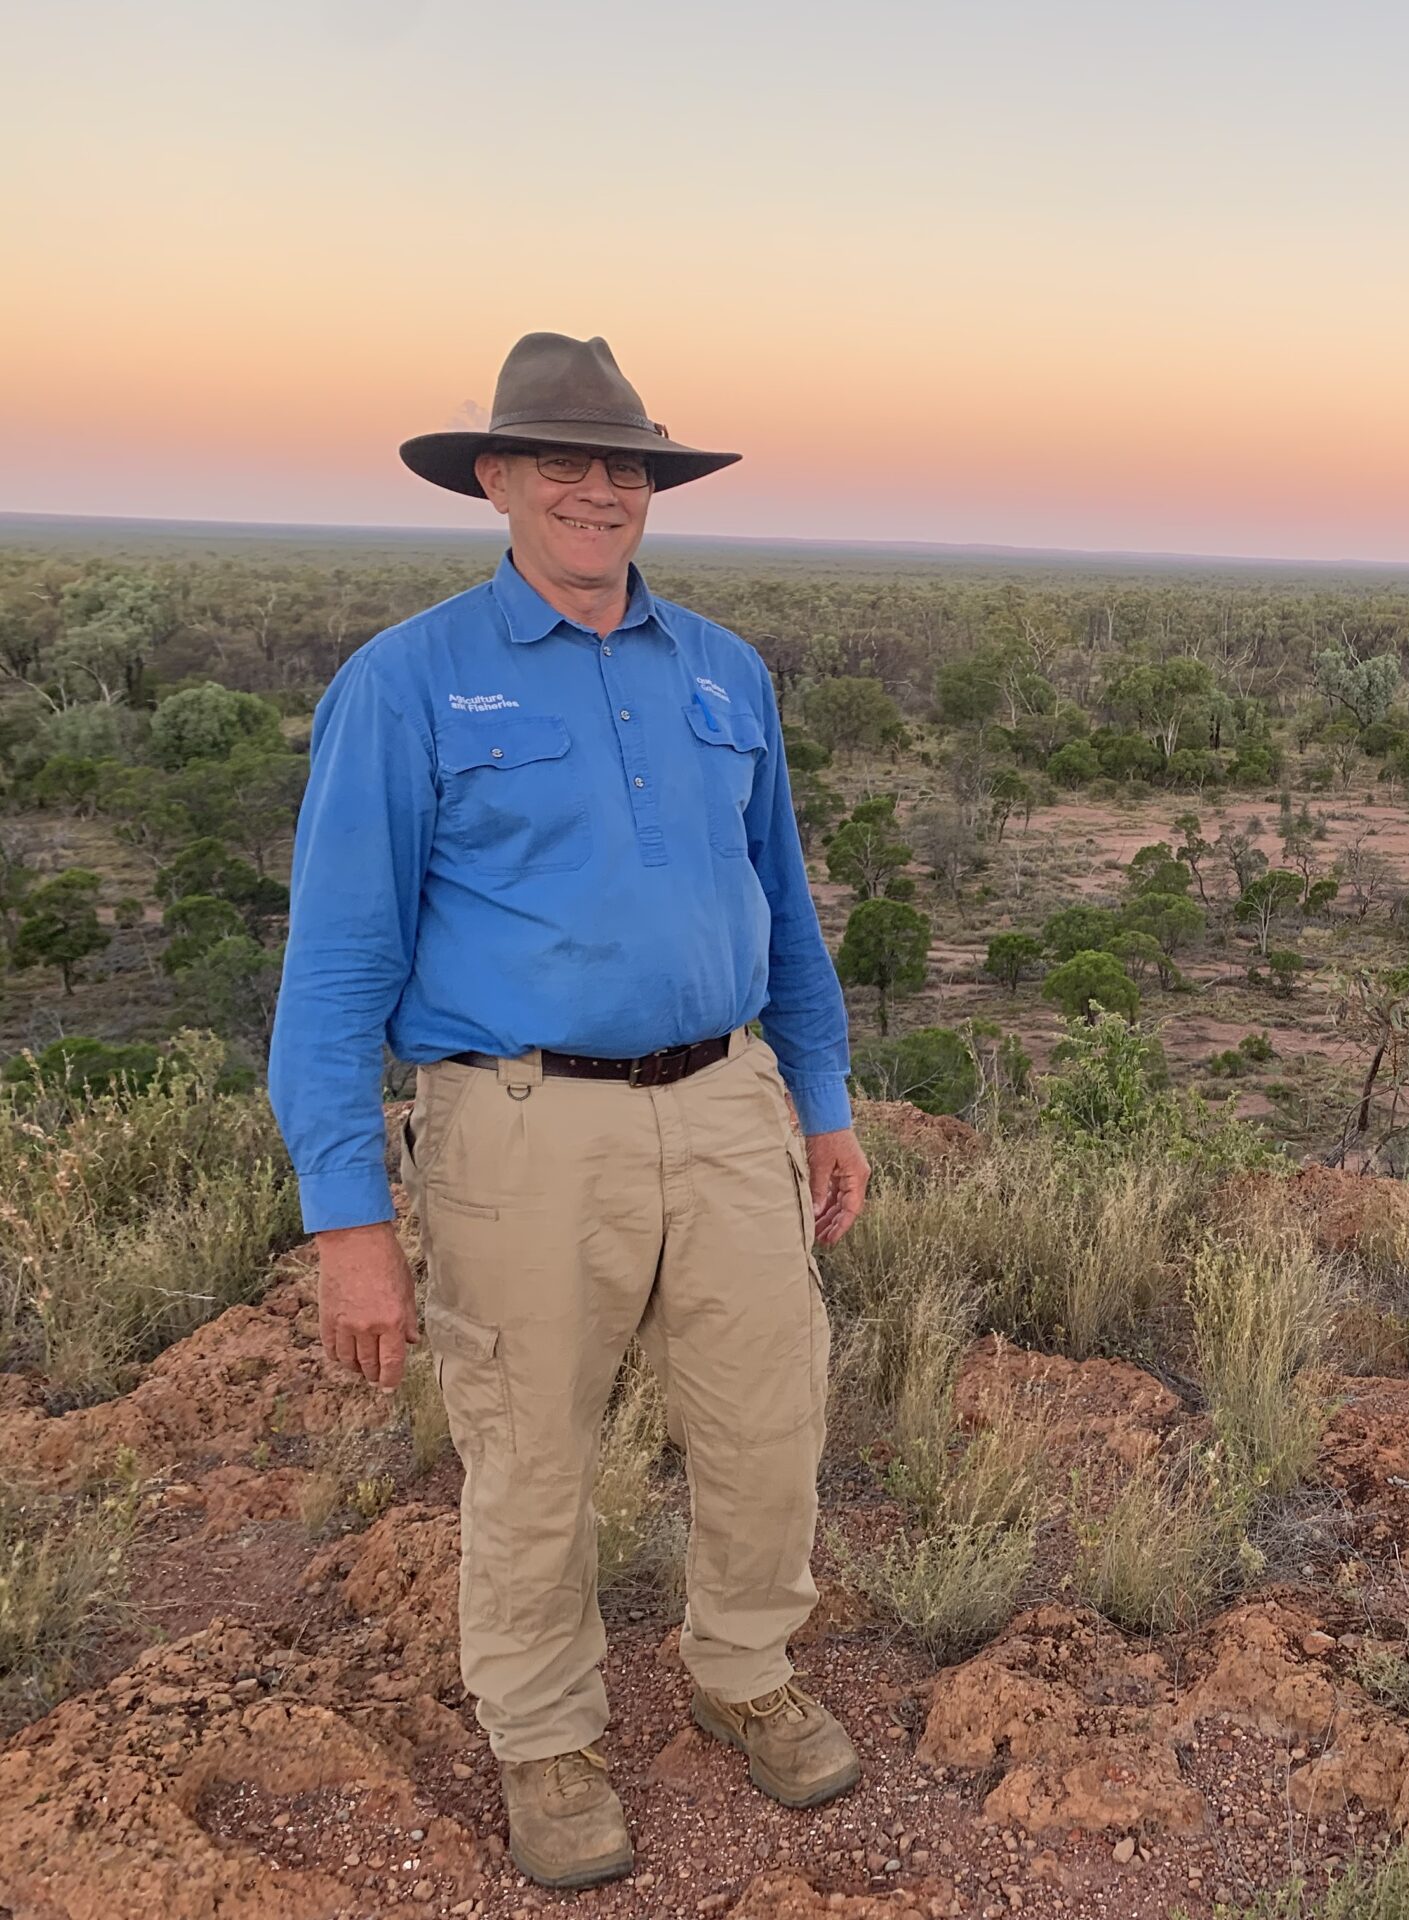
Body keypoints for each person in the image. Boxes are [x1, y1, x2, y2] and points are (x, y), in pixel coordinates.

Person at [269, 331, 871, 1890]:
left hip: (730, 1100)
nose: (599, 491)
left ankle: (746, 1674)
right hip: (522, 1128)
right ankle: (544, 1737)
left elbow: (783, 912)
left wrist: (824, 1098)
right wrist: (350, 1224)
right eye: (563, 463)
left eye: (626, 468)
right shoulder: (404, 684)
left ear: (651, 490)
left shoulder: (724, 672)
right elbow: (334, 975)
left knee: (767, 1420)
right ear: (497, 481)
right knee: (532, 1452)